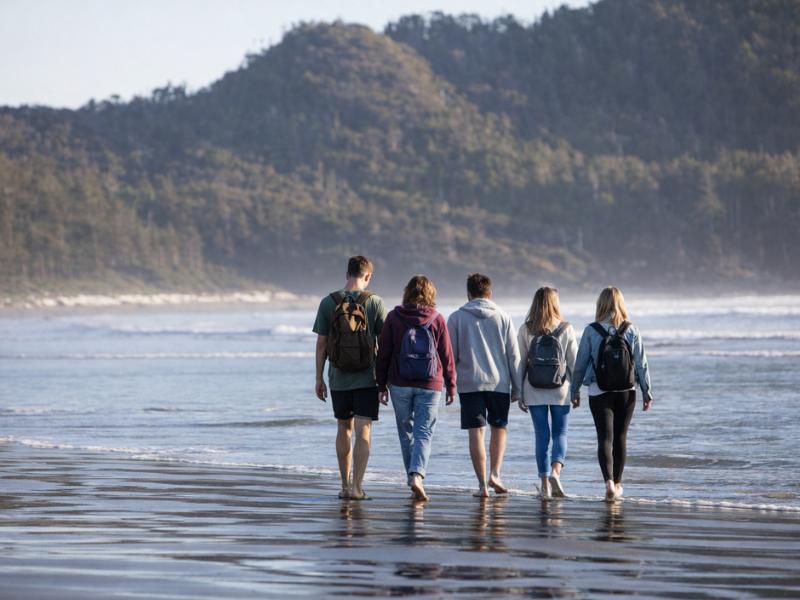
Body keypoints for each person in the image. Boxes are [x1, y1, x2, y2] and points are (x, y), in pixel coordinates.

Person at [313, 256, 387, 500]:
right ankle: (357, 487)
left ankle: (344, 486)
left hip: (338, 378)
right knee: (363, 430)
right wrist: (384, 380)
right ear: (368, 276)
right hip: (367, 378)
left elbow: (321, 344)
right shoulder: (375, 302)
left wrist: (319, 378)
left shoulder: (329, 302)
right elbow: (385, 345)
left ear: (347, 274)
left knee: (343, 428)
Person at [376, 275, 456, 501]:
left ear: (407, 292)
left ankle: (412, 476)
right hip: (430, 383)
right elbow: (446, 355)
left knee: (406, 431)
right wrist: (451, 385)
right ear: (431, 294)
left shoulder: (393, 317)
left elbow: (383, 354)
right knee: (424, 432)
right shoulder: (437, 319)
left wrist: (381, 385)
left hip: (399, 383)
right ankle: (417, 476)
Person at [570, 286, 653, 502]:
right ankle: (617, 483)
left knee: (604, 438)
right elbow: (641, 364)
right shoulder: (631, 330)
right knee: (621, 437)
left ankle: (607, 482)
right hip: (627, 391)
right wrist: (647, 392)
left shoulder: (591, 330)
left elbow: (580, 364)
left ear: (600, 304)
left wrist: (574, 390)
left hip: (599, 390)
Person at [447, 273, 521, 498]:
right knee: (499, 427)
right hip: (499, 383)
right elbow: (513, 355)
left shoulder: (456, 318)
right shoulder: (504, 317)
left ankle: (482, 486)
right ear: (490, 293)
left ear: (468, 294)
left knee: (476, 432)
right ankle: (495, 474)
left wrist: (449, 383)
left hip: (470, 383)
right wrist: (517, 387)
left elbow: (451, 356)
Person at [516, 287, 577, 499]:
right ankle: (555, 473)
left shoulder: (526, 329)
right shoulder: (566, 328)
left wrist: (519, 391)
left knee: (542, 435)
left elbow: (520, 363)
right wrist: (576, 390)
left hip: (533, 389)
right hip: (561, 389)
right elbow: (574, 363)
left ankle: (544, 486)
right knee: (560, 433)